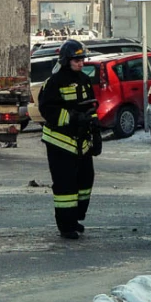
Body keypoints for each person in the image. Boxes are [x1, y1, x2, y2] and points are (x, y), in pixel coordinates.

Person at [38, 39, 102, 239]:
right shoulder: (54, 81)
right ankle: (66, 227)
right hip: (60, 141)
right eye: (76, 60)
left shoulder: (84, 79)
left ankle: (75, 218)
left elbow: (91, 107)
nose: (81, 63)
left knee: (85, 180)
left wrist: (95, 132)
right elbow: (47, 109)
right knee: (66, 186)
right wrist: (72, 117)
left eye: (82, 59)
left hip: (81, 141)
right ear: (66, 60)